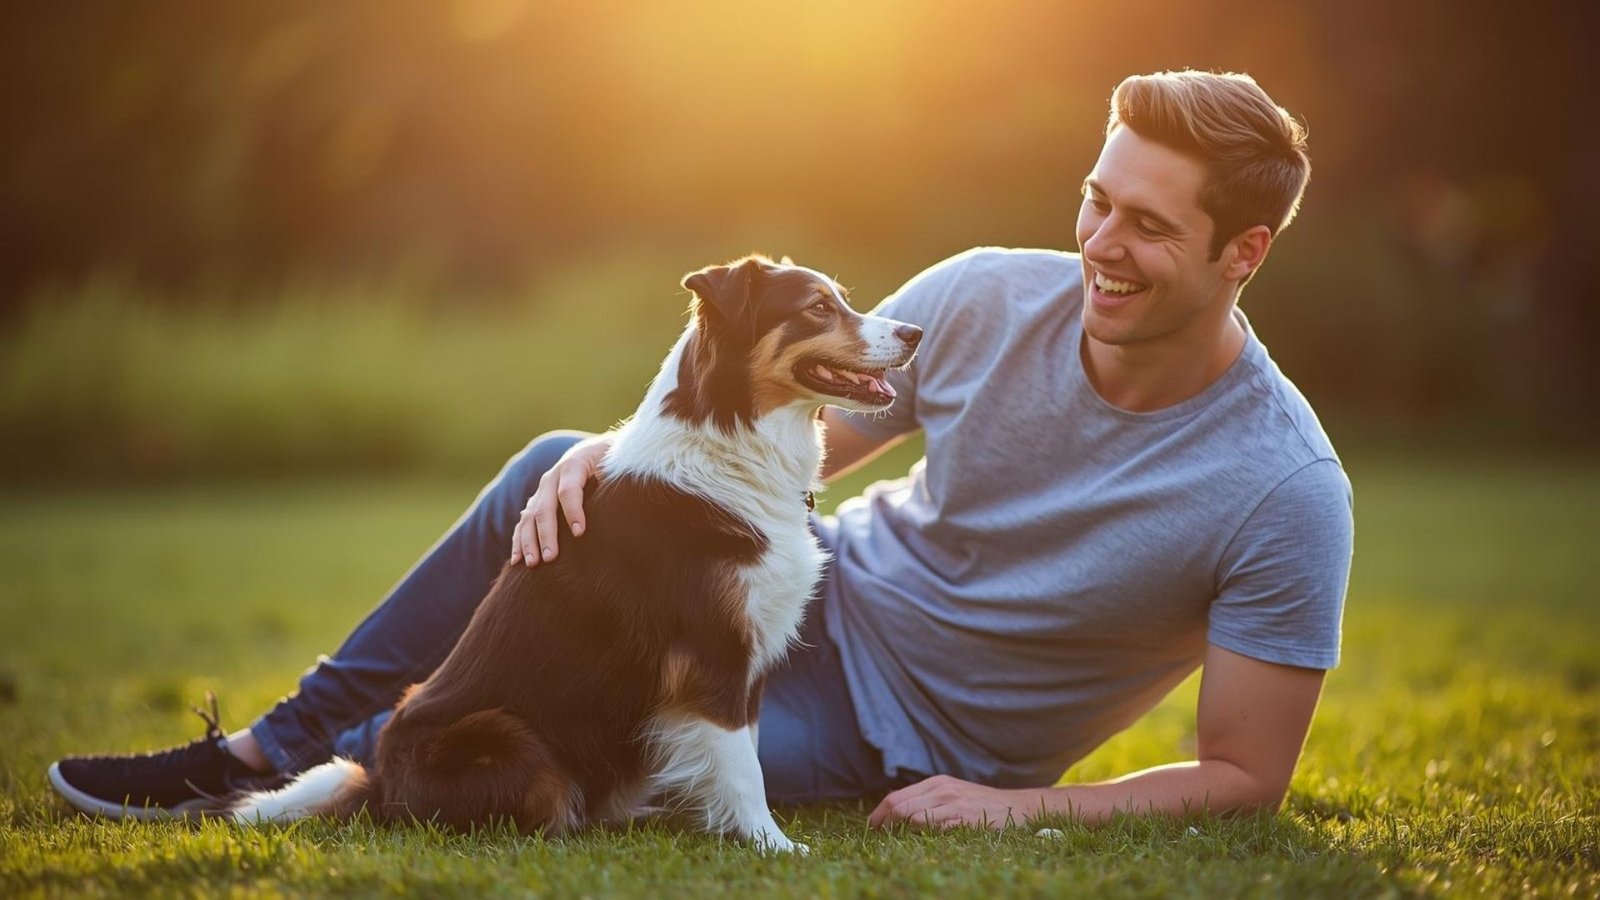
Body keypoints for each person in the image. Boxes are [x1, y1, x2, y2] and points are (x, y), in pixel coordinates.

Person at [49, 69, 1352, 830]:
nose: (1097, 246)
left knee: (625, 752)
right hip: (813, 586)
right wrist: (614, 457)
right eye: (1094, 200)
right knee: (550, 472)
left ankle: (366, 777)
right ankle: (266, 759)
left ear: (1247, 252)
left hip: (892, 730)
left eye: (1146, 228)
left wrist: (1011, 808)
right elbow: (790, 437)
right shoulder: (981, 297)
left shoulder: (1279, 490)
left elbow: (1245, 771)